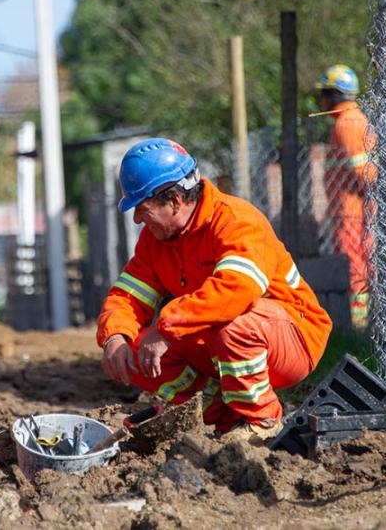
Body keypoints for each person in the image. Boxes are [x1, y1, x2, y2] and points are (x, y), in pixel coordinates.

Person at [97, 138, 333, 441]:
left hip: (293, 339)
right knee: (133, 351)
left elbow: (236, 291)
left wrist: (167, 328)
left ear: (175, 201)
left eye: (142, 208)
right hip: (220, 340)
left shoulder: (236, 220)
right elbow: (127, 296)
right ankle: (217, 419)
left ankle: (262, 420)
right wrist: (115, 335)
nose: (137, 219)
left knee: (232, 326)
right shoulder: (155, 241)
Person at [316, 64, 377, 326]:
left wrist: (372, 201)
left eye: (324, 94)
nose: (320, 101)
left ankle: (358, 323)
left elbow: (364, 171)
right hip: (350, 209)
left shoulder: (347, 123)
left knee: (355, 265)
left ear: (335, 95)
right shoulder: (349, 121)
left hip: (352, 210)